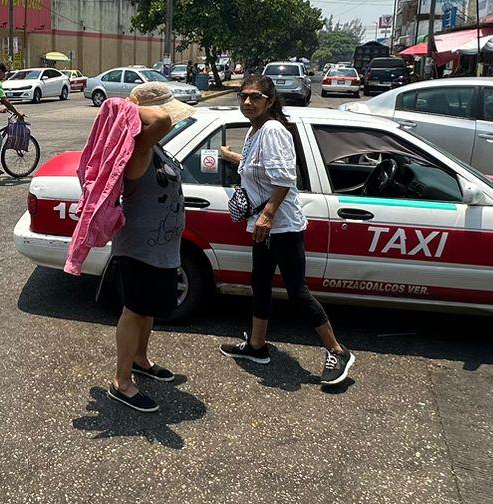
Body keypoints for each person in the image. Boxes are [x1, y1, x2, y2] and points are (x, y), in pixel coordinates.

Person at [218, 74, 355, 388]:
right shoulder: (256, 130)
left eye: (255, 97)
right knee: (261, 284)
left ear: (270, 101)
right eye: (243, 97)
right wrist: (233, 157)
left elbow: (284, 178)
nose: (248, 102)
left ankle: (337, 350)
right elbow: (260, 166)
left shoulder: (274, 129)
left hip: (282, 225)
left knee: (297, 290)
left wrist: (267, 216)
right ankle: (256, 345)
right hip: (265, 226)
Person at [99, 82, 197, 412]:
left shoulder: (157, 149)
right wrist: (129, 107)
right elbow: (163, 121)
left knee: (149, 308)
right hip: (139, 246)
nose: (170, 117)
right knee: (135, 310)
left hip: (162, 247)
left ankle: (140, 359)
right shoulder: (139, 147)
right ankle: (121, 381)